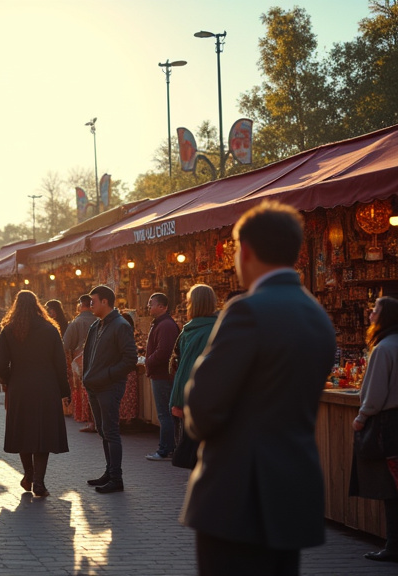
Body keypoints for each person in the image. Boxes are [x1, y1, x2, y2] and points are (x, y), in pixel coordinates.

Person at [181, 201, 336, 575]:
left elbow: (203, 406)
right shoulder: (317, 315)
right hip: (293, 491)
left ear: (245, 251)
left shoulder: (247, 311)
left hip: (239, 495)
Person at [0, 290, 71, 497]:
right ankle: (39, 481)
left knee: (23, 432)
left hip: (20, 387)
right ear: (37, 305)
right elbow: (60, 364)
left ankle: (28, 474)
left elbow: (0, 365)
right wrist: (64, 390)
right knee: (42, 434)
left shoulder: (9, 330)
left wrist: (10, 378)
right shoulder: (50, 329)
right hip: (46, 387)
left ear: (16, 306)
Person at [350, 296, 398, 563]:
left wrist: (362, 417)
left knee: (391, 487)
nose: (370, 313)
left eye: (375, 310)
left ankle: (393, 544)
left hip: (389, 425)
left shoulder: (383, 349)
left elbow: (375, 393)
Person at [81, 284, 136, 494]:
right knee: (103, 431)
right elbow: (88, 355)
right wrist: (88, 377)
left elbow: (130, 359)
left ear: (105, 302)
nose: (90, 305)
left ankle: (116, 477)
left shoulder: (120, 325)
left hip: (109, 386)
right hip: (94, 386)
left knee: (111, 432)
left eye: (93, 301)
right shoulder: (97, 326)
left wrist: (107, 376)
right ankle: (109, 471)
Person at [167, 284, 218, 470]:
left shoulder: (197, 330)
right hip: (204, 395)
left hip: (195, 395)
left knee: (195, 451)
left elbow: (186, 365)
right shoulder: (194, 329)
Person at [144, 292, 180, 462]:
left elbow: (164, 351)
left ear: (163, 307)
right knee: (167, 413)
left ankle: (165, 449)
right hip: (161, 374)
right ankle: (171, 447)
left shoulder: (165, 325)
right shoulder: (161, 323)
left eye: (151, 303)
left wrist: (148, 361)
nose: (148, 306)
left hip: (163, 375)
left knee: (165, 414)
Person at [63, 295, 98, 432]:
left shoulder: (76, 323)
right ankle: (97, 421)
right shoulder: (99, 320)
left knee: (85, 392)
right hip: (98, 361)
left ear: (81, 305)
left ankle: (90, 421)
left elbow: (66, 345)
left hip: (80, 361)